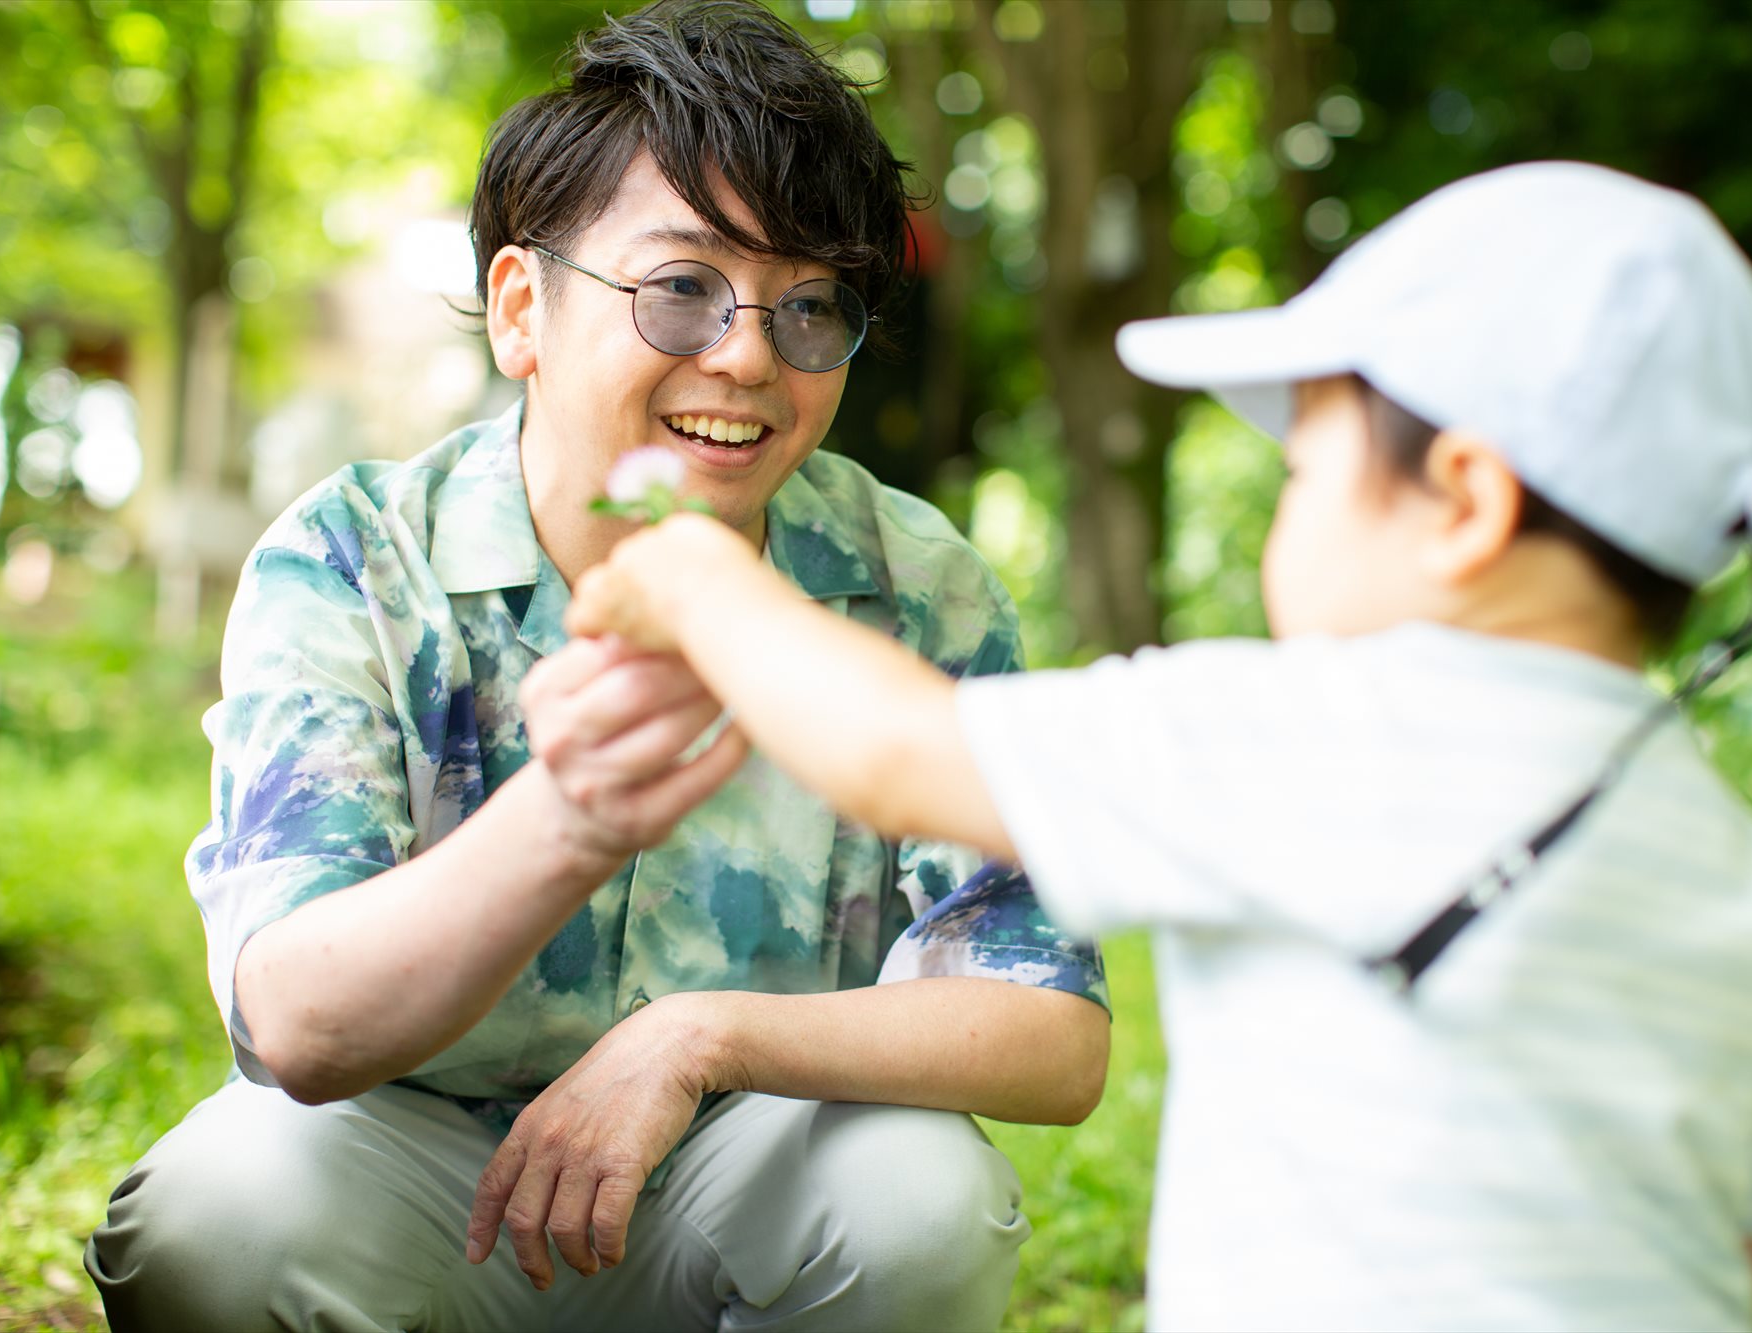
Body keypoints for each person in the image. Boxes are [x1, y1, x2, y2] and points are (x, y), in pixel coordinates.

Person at [569, 161, 1752, 1330]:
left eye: (1305, 470)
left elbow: (894, 751)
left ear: (1466, 504)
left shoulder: (1302, 733)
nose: (1285, 513)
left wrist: (695, 580)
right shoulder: (1737, 865)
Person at [85, 2, 1109, 1328]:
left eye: (810, 307)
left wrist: (698, 1038)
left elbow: (1049, 1028)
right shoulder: (352, 557)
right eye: (681, 287)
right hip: (410, 1177)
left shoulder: (921, 582)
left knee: (923, 1203)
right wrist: (565, 819)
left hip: (748, 1176)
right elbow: (299, 1019)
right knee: (215, 1222)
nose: (747, 354)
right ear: (522, 306)